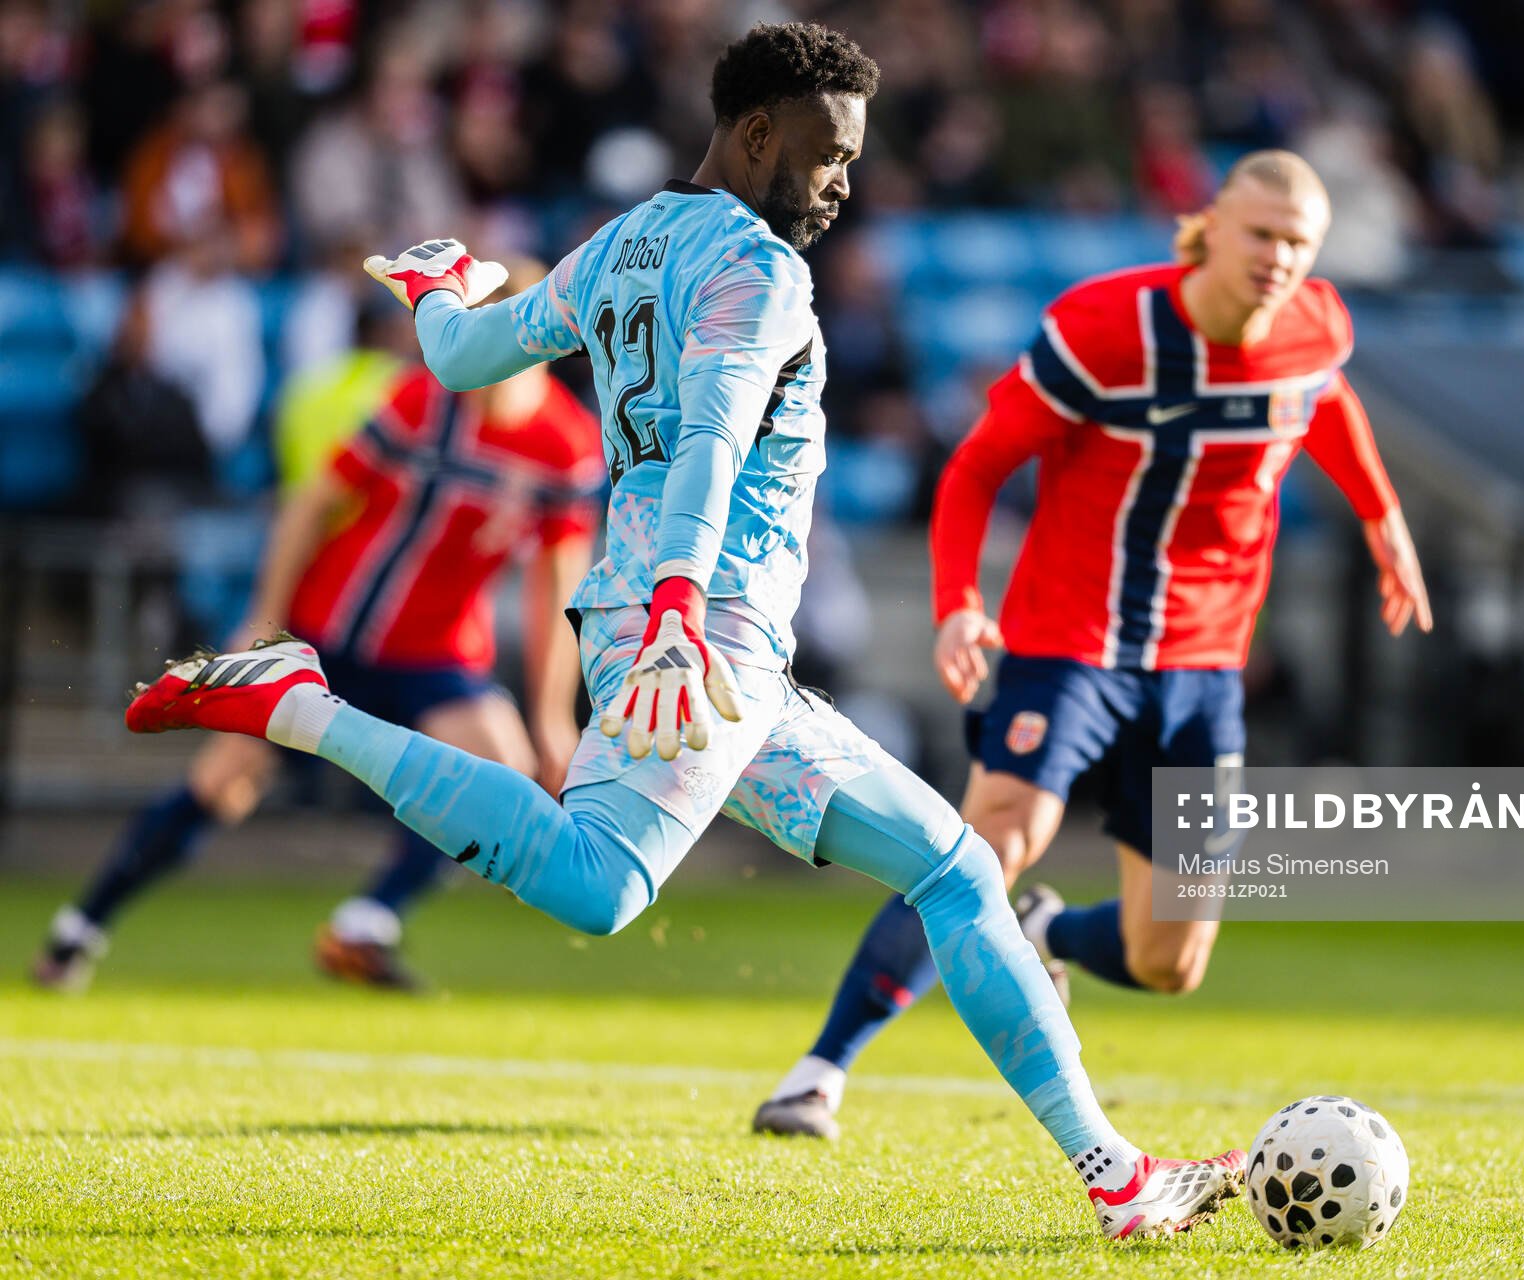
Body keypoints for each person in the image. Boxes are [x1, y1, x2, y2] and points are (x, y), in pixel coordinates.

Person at [115, 23, 1244, 1241]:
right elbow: (709, 441)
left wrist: (441, 287)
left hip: (680, 632)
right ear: (757, 132)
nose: (844, 180)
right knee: (599, 885)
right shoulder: (763, 273)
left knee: (959, 866)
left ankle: (1118, 1177)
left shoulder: (623, 240)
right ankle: (301, 704)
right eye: (827, 152)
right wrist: (673, 620)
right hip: (697, 632)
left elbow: (466, 353)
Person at [755, 151, 1431, 1142]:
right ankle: (819, 1071)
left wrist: (1383, 518)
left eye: (1299, 243)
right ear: (1209, 226)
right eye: (1261, 234)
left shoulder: (1315, 327)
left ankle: (1043, 932)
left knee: (1170, 959)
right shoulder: (1108, 329)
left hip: (1205, 671)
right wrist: (956, 600)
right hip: (1072, 641)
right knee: (987, 840)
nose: (1279, 258)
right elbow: (980, 461)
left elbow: (1326, 401)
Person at [33, 259, 600, 994]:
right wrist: (263, 622)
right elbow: (311, 505)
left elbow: (557, 585)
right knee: (226, 781)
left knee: (506, 775)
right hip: (328, 631)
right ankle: (81, 928)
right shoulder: (420, 402)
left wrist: (553, 713)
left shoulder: (569, 447)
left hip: (433, 652)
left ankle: (365, 924)